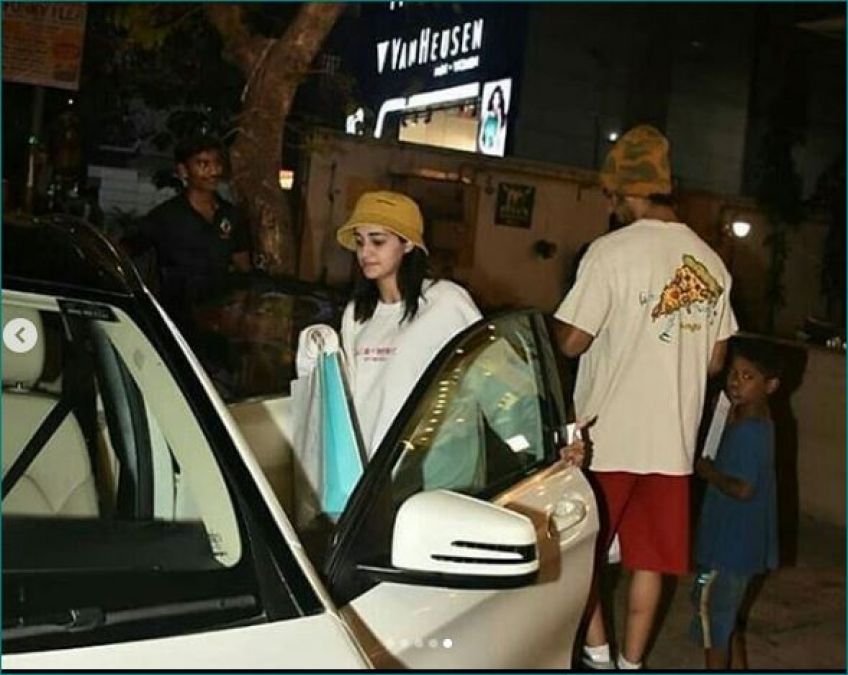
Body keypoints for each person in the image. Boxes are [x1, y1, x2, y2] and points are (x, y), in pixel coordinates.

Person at [553, 124, 738, 670]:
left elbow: (570, 341)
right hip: (672, 443)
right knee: (649, 563)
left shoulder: (609, 253)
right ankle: (632, 664)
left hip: (604, 441)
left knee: (584, 558)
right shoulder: (710, 263)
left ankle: (597, 653)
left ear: (623, 191)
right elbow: (716, 361)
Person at [336, 190, 481, 457]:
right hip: (371, 468)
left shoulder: (446, 302)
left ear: (408, 244)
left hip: (431, 463)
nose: (365, 252)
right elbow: (350, 394)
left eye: (377, 241)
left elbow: (489, 376)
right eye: (359, 241)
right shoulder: (357, 313)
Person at [122, 133, 252, 390]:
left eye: (216, 163)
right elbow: (124, 251)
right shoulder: (165, 217)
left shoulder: (231, 216)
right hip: (175, 325)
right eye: (203, 163)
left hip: (219, 328)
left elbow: (244, 268)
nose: (213, 170)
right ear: (183, 170)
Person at [690, 338, 780, 670]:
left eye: (748, 377)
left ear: (770, 385)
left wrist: (709, 472)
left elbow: (743, 490)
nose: (735, 382)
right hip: (739, 551)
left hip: (726, 551)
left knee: (713, 624)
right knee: (727, 622)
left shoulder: (750, 433)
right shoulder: (753, 423)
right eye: (733, 373)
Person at [479, 85, 507, 151]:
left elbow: (498, 133)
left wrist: (499, 116)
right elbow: (482, 129)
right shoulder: (487, 113)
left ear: (500, 100)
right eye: (494, 97)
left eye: (498, 98)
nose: (496, 100)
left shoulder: (502, 116)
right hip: (484, 144)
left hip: (494, 146)